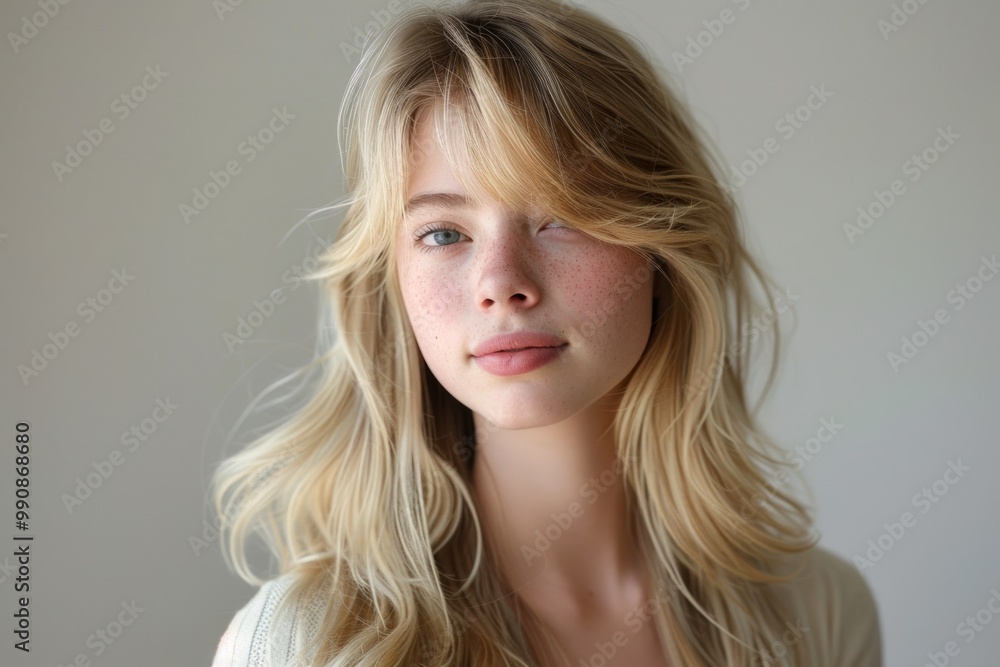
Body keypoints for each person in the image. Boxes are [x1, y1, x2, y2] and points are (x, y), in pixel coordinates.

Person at [208, 0, 883, 665]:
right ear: (393, 281)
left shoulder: (818, 613)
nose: (500, 281)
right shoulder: (302, 643)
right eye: (444, 233)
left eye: (560, 215)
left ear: (662, 253)